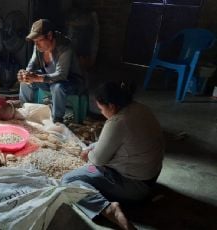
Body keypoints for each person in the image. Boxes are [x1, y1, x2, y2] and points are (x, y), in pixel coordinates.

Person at [61, 81, 164, 230]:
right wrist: (94, 147)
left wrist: (88, 155)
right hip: (151, 177)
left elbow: (97, 160)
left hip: (135, 187)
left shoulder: (118, 122)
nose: (102, 113)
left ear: (111, 106)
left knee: (69, 180)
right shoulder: (140, 108)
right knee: (96, 157)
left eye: (101, 108)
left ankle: (109, 209)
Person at [18, 19, 86, 123]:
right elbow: (31, 65)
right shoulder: (38, 48)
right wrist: (26, 75)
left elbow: (61, 75)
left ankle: (57, 120)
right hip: (49, 80)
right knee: (25, 81)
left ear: (49, 36)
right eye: (34, 42)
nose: (36, 45)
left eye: (38, 41)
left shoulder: (65, 47)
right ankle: (25, 111)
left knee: (57, 87)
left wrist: (37, 77)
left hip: (70, 82)